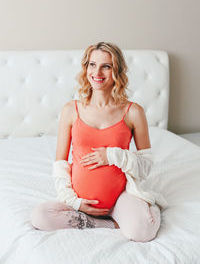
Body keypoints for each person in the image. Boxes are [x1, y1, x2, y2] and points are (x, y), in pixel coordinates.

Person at [30, 42, 165, 242]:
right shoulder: (71, 109)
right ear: (86, 68)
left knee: (142, 232)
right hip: (80, 200)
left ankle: (145, 206)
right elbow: (60, 163)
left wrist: (111, 155)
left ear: (116, 70)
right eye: (92, 64)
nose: (97, 72)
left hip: (119, 198)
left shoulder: (133, 112)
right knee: (40, 216)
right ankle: (108, 224)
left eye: (106, 66)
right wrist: (73, 202)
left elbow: (145, 167)